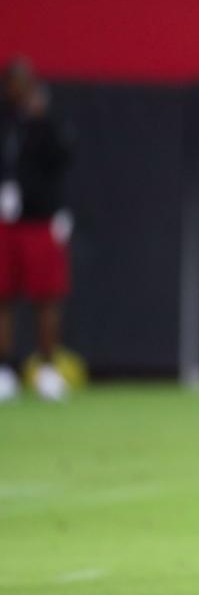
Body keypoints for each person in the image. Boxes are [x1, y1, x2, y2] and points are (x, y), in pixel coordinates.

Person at [0, 58, 73, 402]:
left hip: (41, 219)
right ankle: (4, 369)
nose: (19, 89)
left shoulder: (48, 120)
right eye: (14, 82)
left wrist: (61, 210)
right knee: (3, 297)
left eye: (24, 82)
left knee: (47, 298)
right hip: (5, 223)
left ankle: (46, 367)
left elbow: (65, 159)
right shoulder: (4, 120)